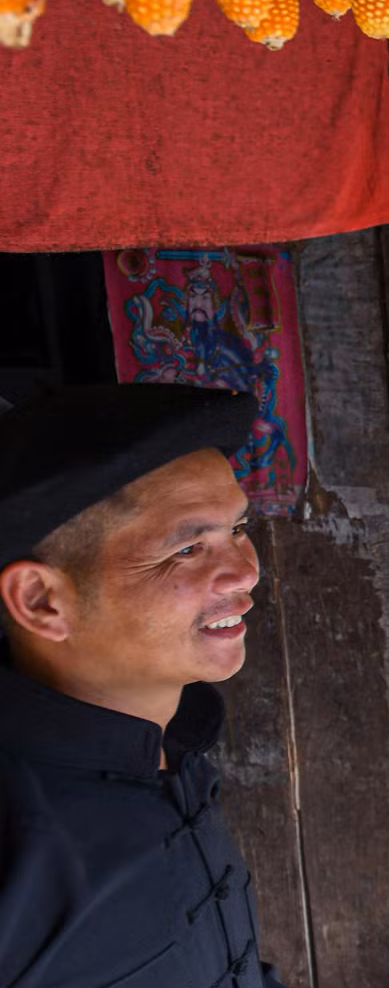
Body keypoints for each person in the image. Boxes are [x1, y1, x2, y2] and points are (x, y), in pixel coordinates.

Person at [0, 383, 285, 988]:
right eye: (187, 548)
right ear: (41, 600)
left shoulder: (172, 752)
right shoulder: (19, 850)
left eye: (238, 528)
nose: (246, 570)